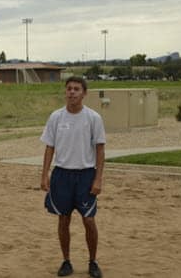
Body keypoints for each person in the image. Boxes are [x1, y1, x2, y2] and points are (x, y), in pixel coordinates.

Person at [40, 77, 105, 278]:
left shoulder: (93, 118)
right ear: (65, 92)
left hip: (86, 174)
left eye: (77, 89)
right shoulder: (56, 117)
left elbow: (100, 150)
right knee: (63, 219)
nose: (72, 92)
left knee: (88, 220)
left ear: (84, 93)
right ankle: (66, 261)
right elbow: (49, 147)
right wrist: (45, 174)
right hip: (62, 174)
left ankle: (93, 261)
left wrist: (98, 178)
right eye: (69, 89)